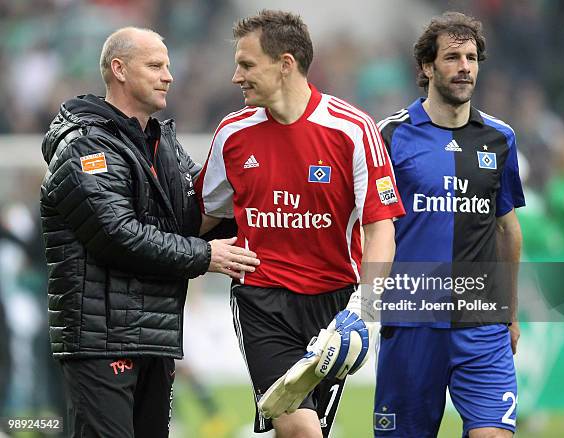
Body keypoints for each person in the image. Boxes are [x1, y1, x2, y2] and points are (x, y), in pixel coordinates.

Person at [39, 27, 259, 438]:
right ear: (119, 70)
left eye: (168, 66)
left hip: (154, 334)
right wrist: (204, 255)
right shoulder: (86, 147)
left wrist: (257, 180)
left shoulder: (164, 143)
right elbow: (117, 235)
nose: (168, 76)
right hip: (100, 339)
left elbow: (198, 212)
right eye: (156, 65)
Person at [196, 10, 405, 438]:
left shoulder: (353, 130)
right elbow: (203, 215)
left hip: (334, 307)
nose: (236, 76)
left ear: (286, 64)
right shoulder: (232, 133)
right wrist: (152, 250)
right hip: (261, 298)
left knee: (312, 432)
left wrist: (365, 309)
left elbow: (381, 226)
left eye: (247, 64)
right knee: (300, 430)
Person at [374, 12, 524, 438]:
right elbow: (370, 227)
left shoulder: (500, 138)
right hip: (412, 319)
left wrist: (509, 315)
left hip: (482, 321)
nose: (465, 67)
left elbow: (507, 229)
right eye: (453, 56)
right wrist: (364, 307)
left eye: (472, 57)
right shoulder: (390, 135)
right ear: (426, 67)